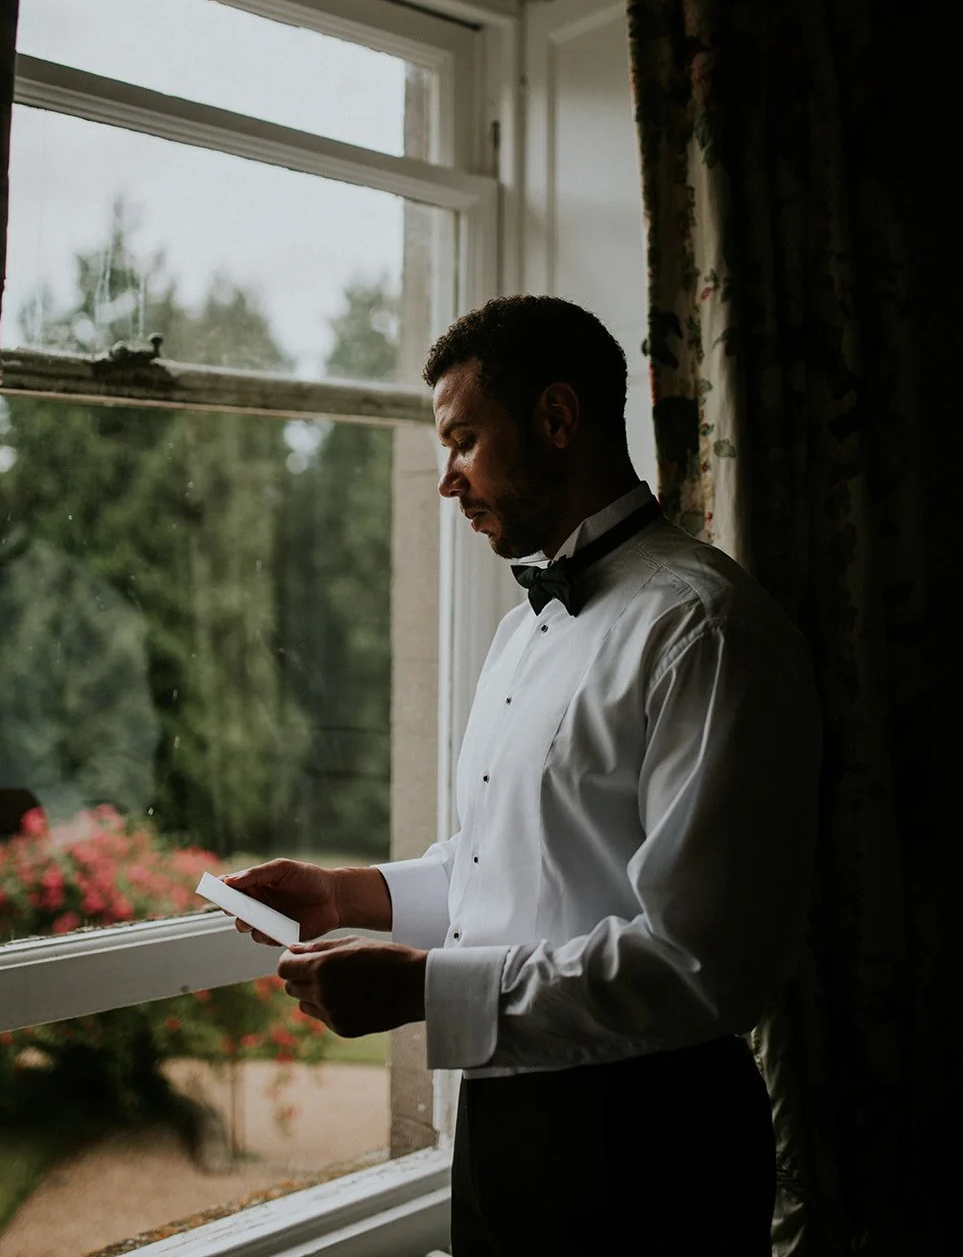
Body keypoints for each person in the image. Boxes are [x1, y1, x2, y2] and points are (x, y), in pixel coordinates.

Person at [227, 295, 821, 1255]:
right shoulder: (522, 629)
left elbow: (700, 964)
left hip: (653, 1146)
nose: (445, 481)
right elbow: (511, 861)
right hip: (506, 1129)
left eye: (462, 440)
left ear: (555, 418)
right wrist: (348, 894)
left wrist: (430, 992)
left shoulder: (706, 631)